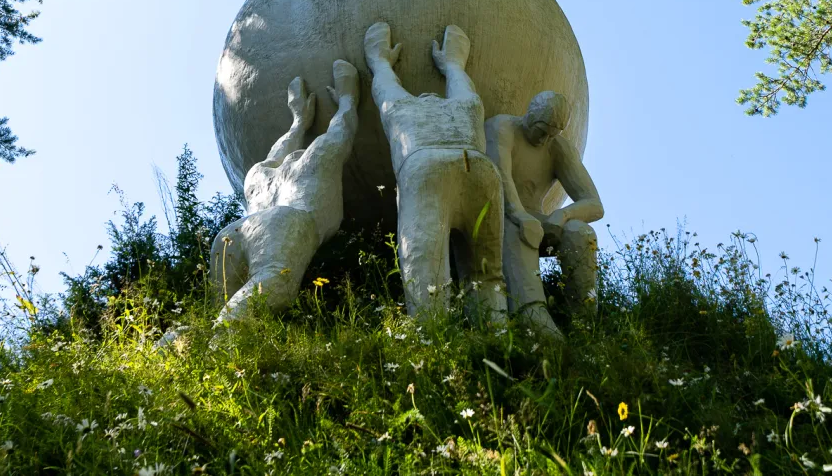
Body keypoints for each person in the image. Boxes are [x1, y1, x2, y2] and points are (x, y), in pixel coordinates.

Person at [364, 21, 505, 320]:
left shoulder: (404, 108)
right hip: (480, 168)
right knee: (487, 273)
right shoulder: (466, 108)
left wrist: (379, 60)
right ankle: (496, 332)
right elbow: (462, 83)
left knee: (425, 269)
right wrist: (451, 63)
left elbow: (385, 85)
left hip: (426, 168)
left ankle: (432, 338)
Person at [208, 59, 359, 324]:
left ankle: (186, 346)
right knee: (252, 302)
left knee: (217, 316)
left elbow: (274, 156)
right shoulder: (316, 162)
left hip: (233, 232)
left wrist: (298, 122)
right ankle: (215, 341)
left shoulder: (258, 177)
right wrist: (348, 98)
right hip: (285, 223)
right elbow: (340, 133)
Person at [485, 90, 602, 333]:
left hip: (536, 217)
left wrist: (562, 215)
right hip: (500, 213)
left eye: (552, 134)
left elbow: (594, 203)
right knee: (520, 227)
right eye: (541, 130)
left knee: (580, 232)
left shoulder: (556, 147)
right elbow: (500, 177)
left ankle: (583, 321)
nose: (543, 140)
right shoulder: (503, 128)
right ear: (529, 115)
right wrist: (519, 215)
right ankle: (532, 314)